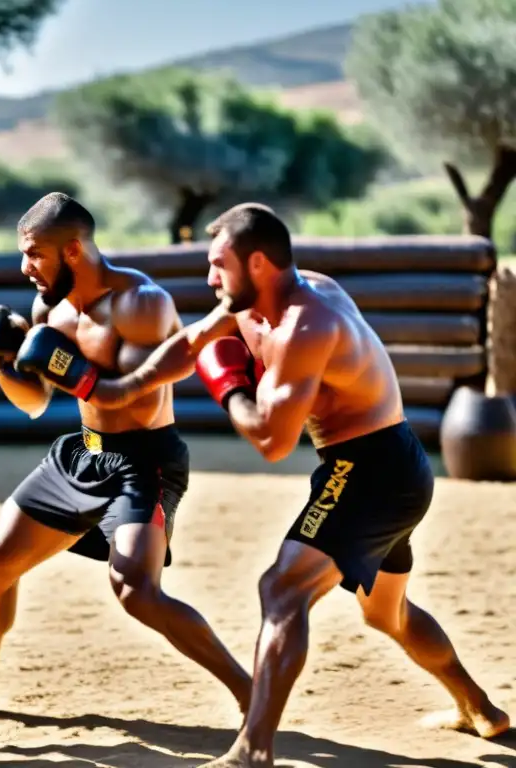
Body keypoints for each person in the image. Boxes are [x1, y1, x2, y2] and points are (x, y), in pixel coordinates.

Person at [87, 203, 511, 767]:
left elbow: (272, 440)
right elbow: (192, 344)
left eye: (219, 265)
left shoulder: (306, 325)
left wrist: (228, 383)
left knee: (282, 590)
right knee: (388, 614)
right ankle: (481, 708)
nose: (210, 278)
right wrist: (122, 390)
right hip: (386, 466)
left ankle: (253, 751)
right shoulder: (252, 302)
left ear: (257, 263)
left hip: (372, 469)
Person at [0, 192, 252, 722]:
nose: (24, 267)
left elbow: (142, 396)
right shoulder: (47, 308)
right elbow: (36, 403)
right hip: (81, 455)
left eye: (34, 253)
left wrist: (70, 369)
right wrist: (2, 365)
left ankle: (250, 690)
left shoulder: (141, 303)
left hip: (142, 460)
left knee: (137, 591)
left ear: (74, 250)